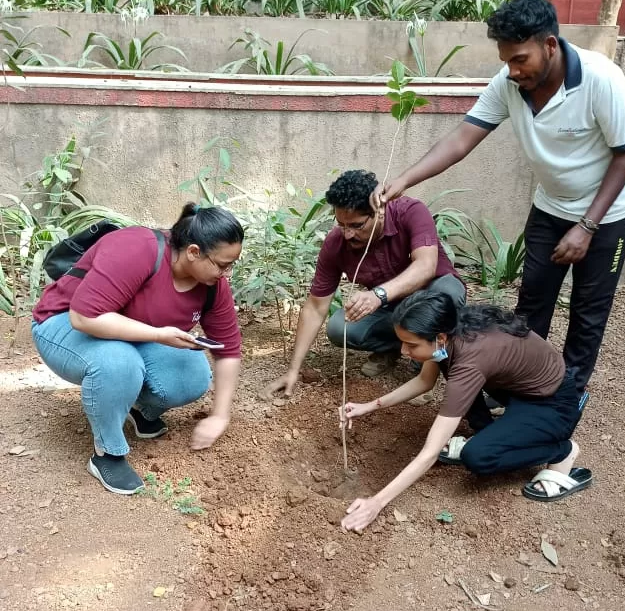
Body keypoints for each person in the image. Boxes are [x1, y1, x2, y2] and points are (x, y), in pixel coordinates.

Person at [375, 0, 625, 396]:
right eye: (506, 61)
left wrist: (587, 226)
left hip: (608, 213)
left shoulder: (601, 79)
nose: (512, 70)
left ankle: (568, 395)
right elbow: (463, 139)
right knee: (532, 302)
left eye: (519, 59)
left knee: (589, 311)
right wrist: (404, 180)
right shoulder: (509, 84)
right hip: (551, 206)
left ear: (549, 45)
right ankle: (521, 385)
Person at [32, 203, 244, 496]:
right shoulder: (137, 249)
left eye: (232, 264)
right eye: (222, 264)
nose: (227, 273)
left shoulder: (211, 285)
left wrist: (220, 416)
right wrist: (158, 334)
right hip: (63, 325)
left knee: (193, 372)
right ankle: (107, 453)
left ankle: (139, 410)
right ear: (194, 252)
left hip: (127, 333)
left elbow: (229, 350)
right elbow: (83, 317)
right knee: (119, 362)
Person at [339, 290, 591, 533]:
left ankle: (562, 451)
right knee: (451, 369)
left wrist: (377, 503)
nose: (404, 351)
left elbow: (430, 453)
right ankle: (491, 431)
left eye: (411, 344)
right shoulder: (449, 333)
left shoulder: (470, 360)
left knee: (478, 456)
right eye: (402, 342)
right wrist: (368, 407)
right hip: (516, 389)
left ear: (439, 337)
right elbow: (423, 382)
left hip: (553, 401)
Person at [267, 168, 466, 395]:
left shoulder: (411, 212)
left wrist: (378, 295)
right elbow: (315, 307)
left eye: (356, 225)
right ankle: (398, 347)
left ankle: (434, 362)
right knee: (340, 327)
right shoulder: (336, 244)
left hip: (433, 298)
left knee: (448, 293)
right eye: (341, 224)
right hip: (391, 310)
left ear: (379, 211)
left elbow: (426, 266)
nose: (347, 234)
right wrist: (293, 370)